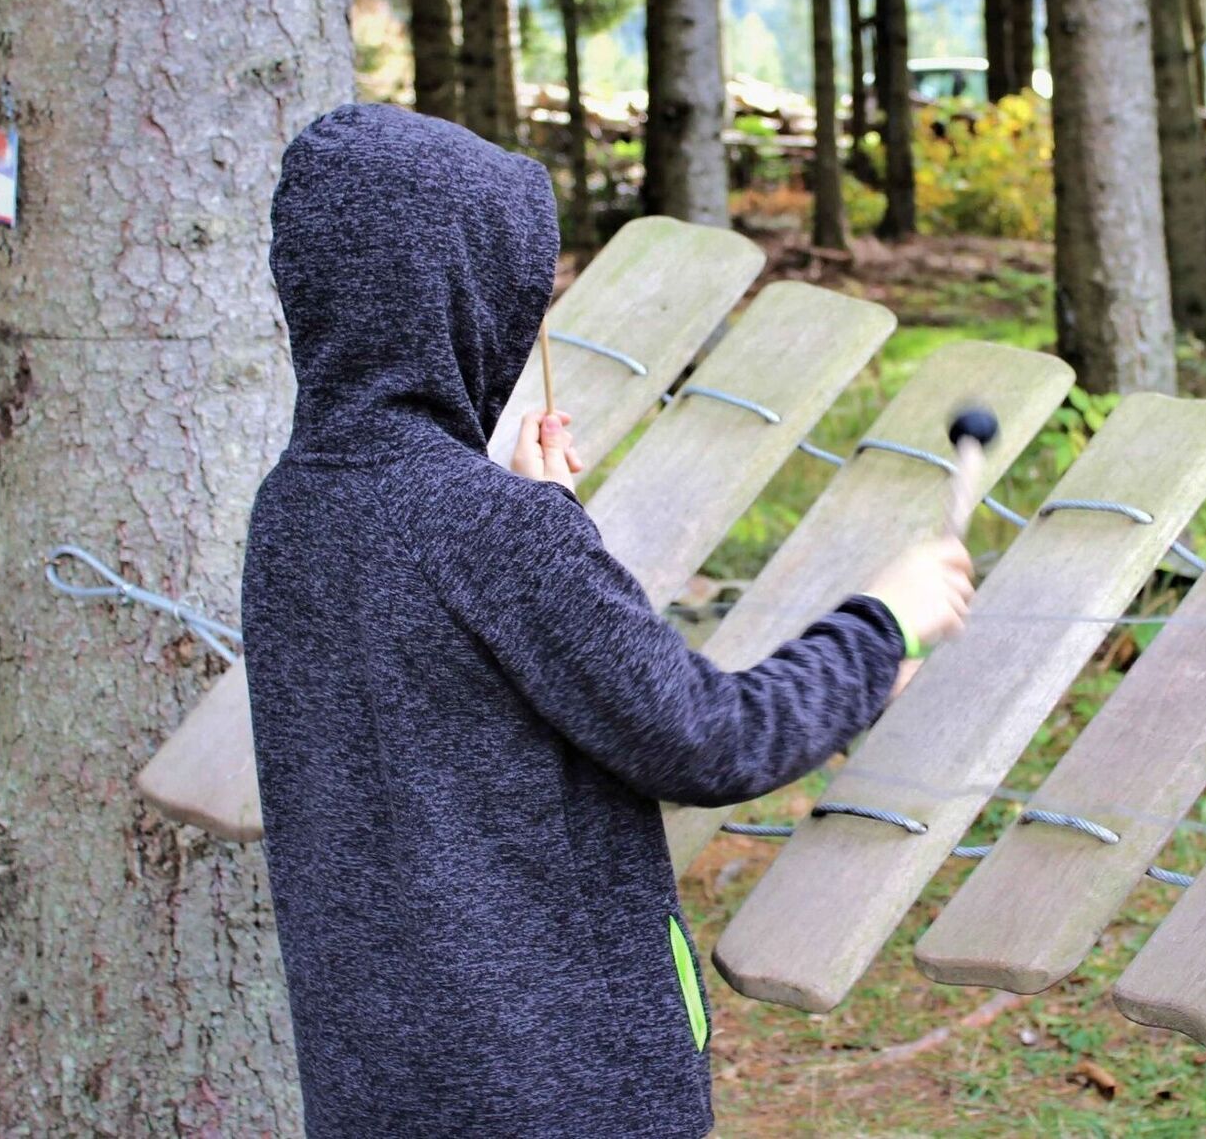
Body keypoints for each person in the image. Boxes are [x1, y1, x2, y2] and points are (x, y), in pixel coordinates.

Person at [242, 103, 973, 1137]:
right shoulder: (486, 530)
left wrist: (535, 521)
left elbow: (454, 669)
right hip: (560, 1091)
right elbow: (708, 738)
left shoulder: (296, 505)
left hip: (379, 1089)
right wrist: (880, 626)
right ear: (459, 295)